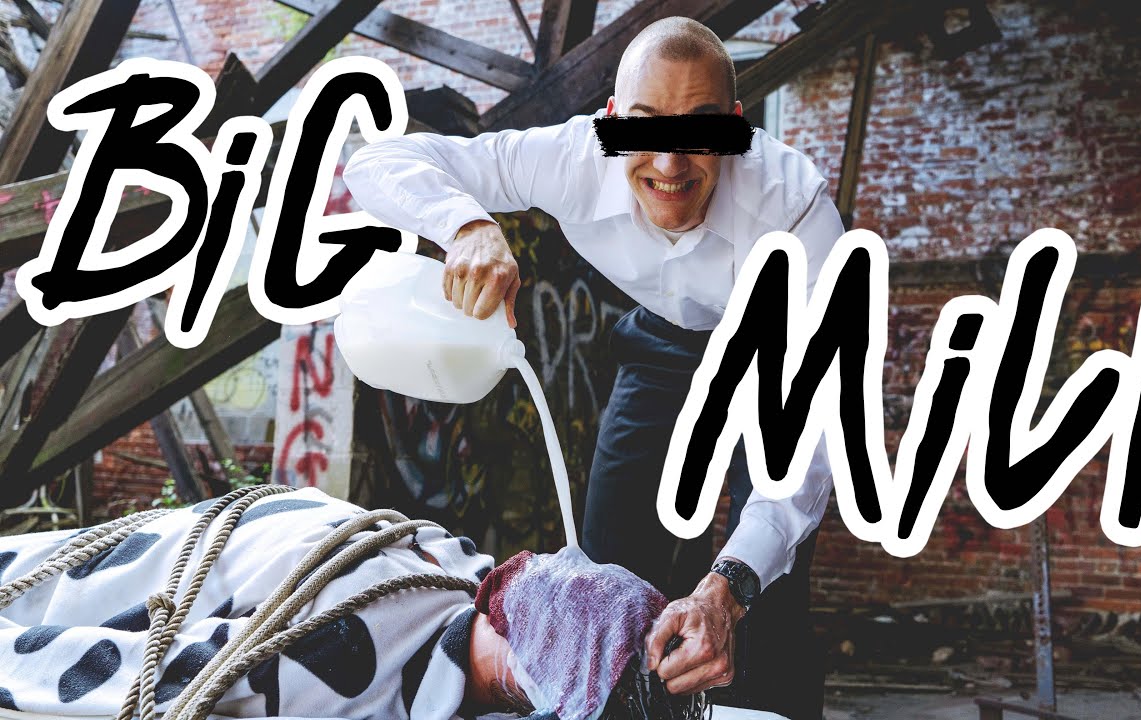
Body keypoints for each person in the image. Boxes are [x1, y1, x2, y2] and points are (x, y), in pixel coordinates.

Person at [344, 16, 840, 720]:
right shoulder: (573, 157)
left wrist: (726, 588)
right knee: (607, 572)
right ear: (611, 121)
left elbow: (807, 445)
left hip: (773, 355)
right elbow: (377, 162)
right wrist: (465, 224)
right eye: (643, 127)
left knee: (765, 603)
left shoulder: (795, 207)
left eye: (699, 130)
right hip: (662, 345)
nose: (669, 165)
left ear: (735, 126)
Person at [0, 487, 706, 720]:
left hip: (158, 549)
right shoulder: (339, 665)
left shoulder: (455, 564)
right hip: (80, 584)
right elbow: (125, 678)